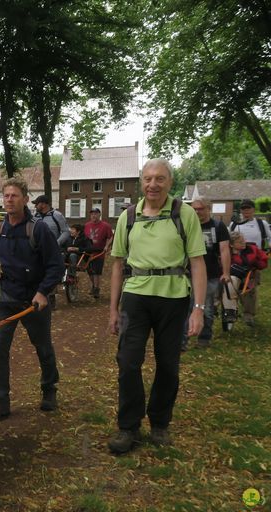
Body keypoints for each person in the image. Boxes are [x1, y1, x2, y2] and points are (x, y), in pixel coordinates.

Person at [107, 158, 207, 454]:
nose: (153, 184)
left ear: (169, 182)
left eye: (160, 179)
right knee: (127, 362)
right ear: (141, 182)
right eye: (148, 179)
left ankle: (160, 423)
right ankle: (129, 426)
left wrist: (198, 308)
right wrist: (113, 309)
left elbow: (198, 263)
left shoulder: (184, 214)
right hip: (135, 297)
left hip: (174, 298)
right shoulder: (128, 216)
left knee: (168, 365)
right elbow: (117, 265)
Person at [0, 177, 65, 418]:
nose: (9, 200)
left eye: (14, 195)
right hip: (6, 298)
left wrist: (43, 291)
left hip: (34, 299)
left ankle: (49, 390)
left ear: (26, 199)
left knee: (43, 347)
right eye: (6, 195)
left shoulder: (38, 229)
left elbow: (56, 266)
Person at [181, 197, 230, 350]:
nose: (197, 212)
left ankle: (204, 338)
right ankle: (183, 340)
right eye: (194, 209)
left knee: (206, 308)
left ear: (208, 209)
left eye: (200, 209)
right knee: (184, 308)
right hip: (187, 274)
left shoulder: (218, 226)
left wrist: (226, 272)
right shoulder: (187, 225)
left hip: (210, 274)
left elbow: (224, 250)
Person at [229, 199, 271, 326]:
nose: (246, 211)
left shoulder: (261, 224)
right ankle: (232, 311)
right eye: (243, 209)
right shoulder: (234, 225)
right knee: (233, 286)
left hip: (253, 262)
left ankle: (249, 315)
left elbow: (269, 238)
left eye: (248, 208)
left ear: (253, 209)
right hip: (236, 261)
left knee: (250, 289)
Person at [222, 232, 268, 322]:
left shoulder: (252, 249)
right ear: (231, 245)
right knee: (229, 290)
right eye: (239, 242)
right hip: (233, 277)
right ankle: (230, 312)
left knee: (249, 293)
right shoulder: (227, 253)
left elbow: (264, 260)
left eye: (243, 240)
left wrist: (256, 264)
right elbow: (221, 265)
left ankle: (248, 315)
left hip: (250, 276)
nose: (243, 242)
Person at [84, 208, 114, 298]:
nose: (94, 215)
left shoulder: (106, 226)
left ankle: (97, 289)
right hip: (88, 252)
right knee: (89, 271)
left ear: (99, 215)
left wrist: (106, 246)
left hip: (99, 252)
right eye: (92, 214)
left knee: (96, 271)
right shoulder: (86, 225)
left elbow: (110, 237)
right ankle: (94, 286)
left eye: (96, 214)